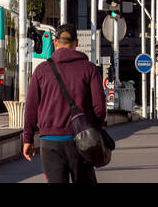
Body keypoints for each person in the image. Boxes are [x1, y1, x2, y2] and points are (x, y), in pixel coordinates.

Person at [22, 22, 107, 184]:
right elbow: (100, 107)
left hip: (50, 142)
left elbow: (31, 108)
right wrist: (93, 128)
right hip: (82, 141)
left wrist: (28, 139)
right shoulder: (89, 69)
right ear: (76, 43)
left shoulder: (41, 71)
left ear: (55, 42)